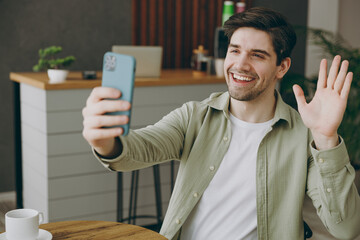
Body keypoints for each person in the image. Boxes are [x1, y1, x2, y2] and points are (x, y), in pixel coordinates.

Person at [82, 7, 360, 240]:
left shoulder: (305, 137)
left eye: (257, 55)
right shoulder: (195, 116)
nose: (240, 64)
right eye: (234, 50)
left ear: (282, 67)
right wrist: (105, 141)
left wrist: (326, 137)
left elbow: (346, 228)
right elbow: (137, 149)